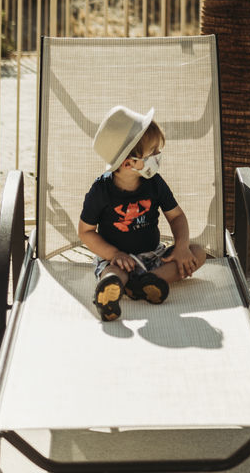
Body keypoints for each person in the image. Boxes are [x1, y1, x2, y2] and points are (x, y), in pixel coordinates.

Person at [79, 104, 207, 322]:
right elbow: (86, 231)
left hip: (153, 255)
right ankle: (110, 293)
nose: (158, 156)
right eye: (153, 153)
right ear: (129, 163)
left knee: (198, 252)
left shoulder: (154, 183)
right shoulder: (101, 190)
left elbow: (176, 216)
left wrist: (182, 246)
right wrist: (114, 254)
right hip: (117, 259)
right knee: (113, 273)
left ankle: (144, 283)